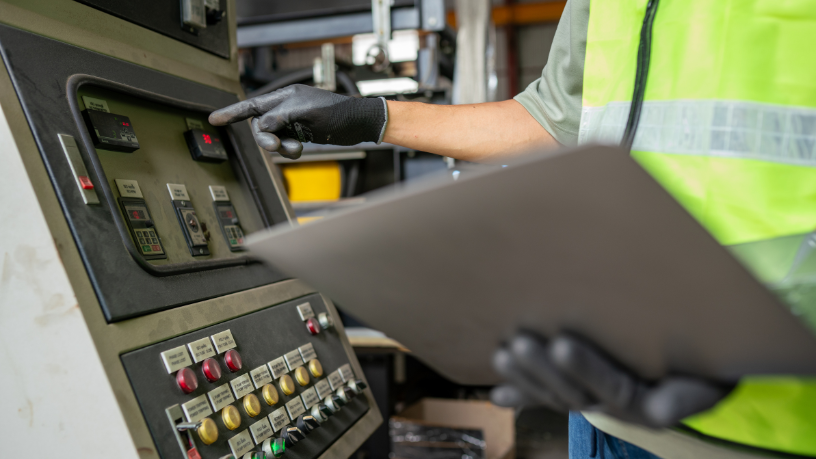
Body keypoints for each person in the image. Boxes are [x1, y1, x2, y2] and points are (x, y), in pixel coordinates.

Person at [210, 0, 816, 457]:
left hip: (773, 426)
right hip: (604, 407)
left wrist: (769, 323)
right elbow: (553, 115)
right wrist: (375, 116)